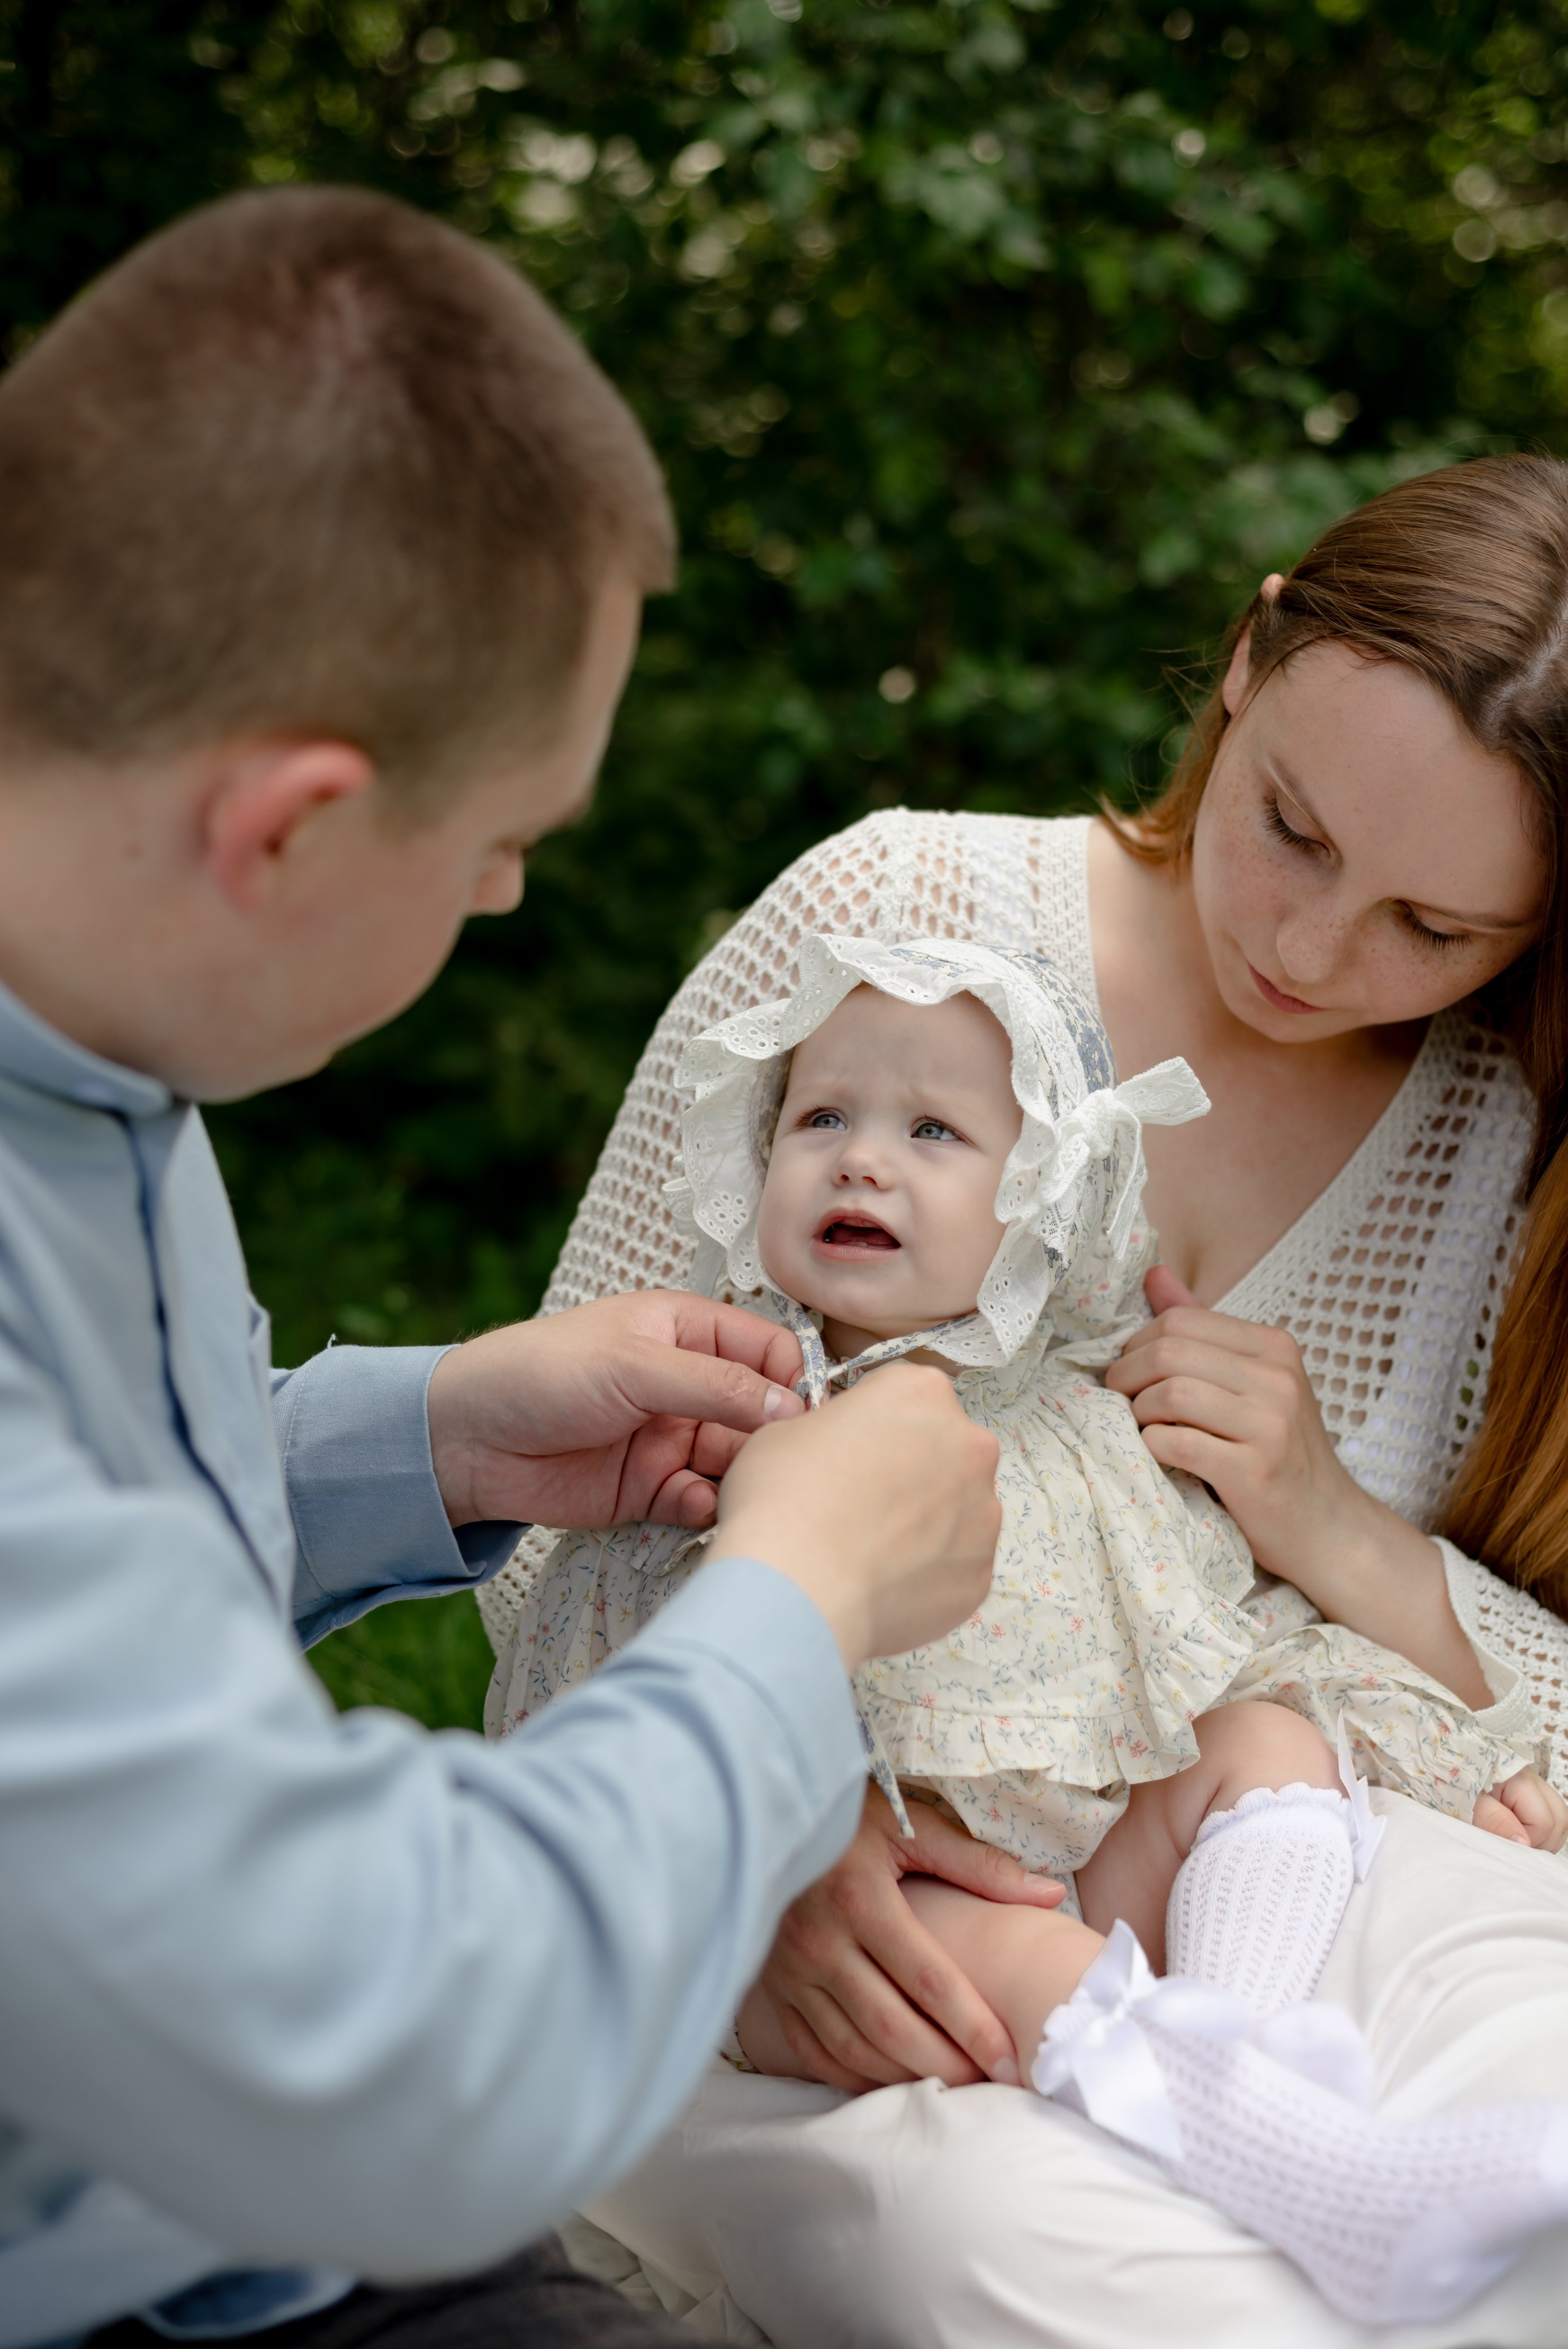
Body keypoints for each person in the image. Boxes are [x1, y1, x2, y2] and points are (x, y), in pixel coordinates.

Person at [0, 187, 1008, 2349]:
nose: (514, 897)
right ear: (286, 827)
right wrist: (799, 1600)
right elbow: (395, 2037)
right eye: (493, 846)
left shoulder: (91, 1052)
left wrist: (433, 1437)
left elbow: (74, 1584)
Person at [483, 459, 1568, 2343]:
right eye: (1294, 829)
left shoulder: (1485, 1143)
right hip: (813, 1906)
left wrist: (1333, 1525)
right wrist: (756, 1807)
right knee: (1053, 2264)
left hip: (1238, 1890)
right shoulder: (900, 916)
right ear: (1248, 652)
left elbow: (1529, 1734)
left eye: (1433, 928)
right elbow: (543, 1510)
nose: (1311, 953)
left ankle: (1277, 2118)